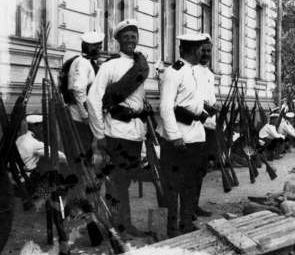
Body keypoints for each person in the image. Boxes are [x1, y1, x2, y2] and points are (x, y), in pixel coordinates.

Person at [87, 19, 149, 238]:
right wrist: (99, 133)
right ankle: (117, 227)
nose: (131, 40)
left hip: (135, 133)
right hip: (116, 132)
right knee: (116, 183)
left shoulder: (140, 65)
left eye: (134, 36)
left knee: (125, 181)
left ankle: (124, 224)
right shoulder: (109, 66)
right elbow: (93, 99)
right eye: (126, 37)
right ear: (118, 40)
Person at [158, 33, 209, 236]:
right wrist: (174, 136)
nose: (203, 53)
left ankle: (186, 223)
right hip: (179, 138)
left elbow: (191, 101)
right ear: (192, 50)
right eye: (200, 49)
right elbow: (165, 107)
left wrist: (202, 113)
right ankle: (172, 228)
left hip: (195, 135)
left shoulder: (194, 71)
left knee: (190, 183)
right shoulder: (174, 72)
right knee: (173, 185)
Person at [65, 31, 103, 155]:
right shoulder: (83, 63)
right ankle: (84, 173)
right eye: (98, 47)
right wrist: (85, 115)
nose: (100, 50)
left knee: (84, 149)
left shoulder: (84, 62)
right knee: (83, 150)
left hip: (79, 114)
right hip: (80, 117)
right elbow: (78, 89)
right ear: (90, 47)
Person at [192, 37, 218, 218]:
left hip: (209, 125)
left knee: (201, 169)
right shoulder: (191, 71)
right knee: (192, 169)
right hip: (195, 124)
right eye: (203, 50)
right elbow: (191, 98)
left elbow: (211, 97)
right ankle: (188, 207)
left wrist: (215, 107)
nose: (206, 54)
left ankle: (194, 204)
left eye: (209, 50)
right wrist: (207, 107)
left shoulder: (209, 73)